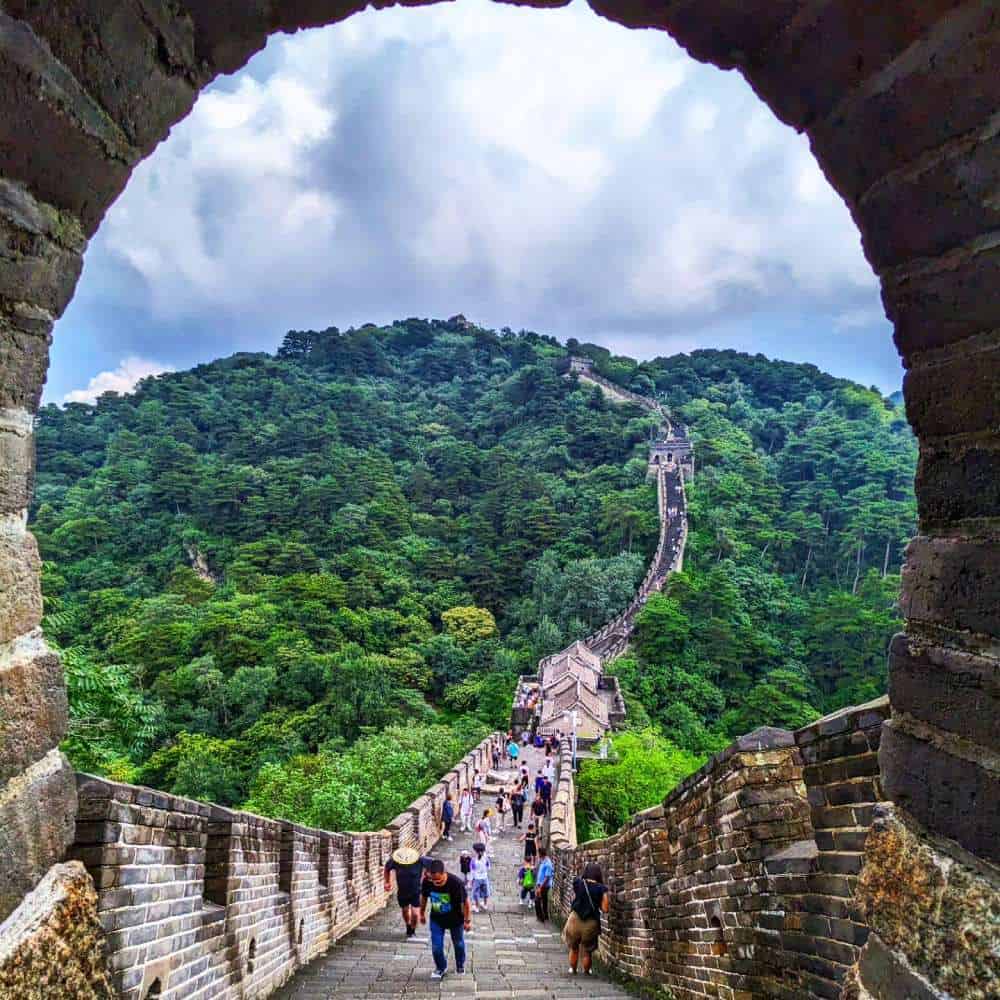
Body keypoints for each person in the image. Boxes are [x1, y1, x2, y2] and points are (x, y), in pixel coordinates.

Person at [420, 859, 471, 980]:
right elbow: (424, 897)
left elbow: (466, 903)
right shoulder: (428, 881)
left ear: (444, 873)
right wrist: (421, 913)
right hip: (437, 919)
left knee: (458, 944)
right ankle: (440, 967)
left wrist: (467, 921)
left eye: (439, 880)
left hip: (456, 919)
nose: (436, 883)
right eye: (434, 880)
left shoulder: (456, 883)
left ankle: (460, 965)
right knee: (436, 946)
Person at [564, 862, 610, 975]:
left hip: (574, 919)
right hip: (591, 923)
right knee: (586, 951)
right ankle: (586, 971)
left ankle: (573, 969)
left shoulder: (578, 883)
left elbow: (576, 889)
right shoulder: (601, 888)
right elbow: (605, 908)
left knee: (574, 948)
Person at [383, 847, 432, 937]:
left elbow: (435, 864)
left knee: (415, 914)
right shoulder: (396, 861)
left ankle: (413, 930)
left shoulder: (420, 860)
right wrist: (387, 882)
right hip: (402, 892)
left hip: (416, 891)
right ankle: (408, 926)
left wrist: (428, 873)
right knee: (405, 911)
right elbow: (387, 868)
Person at [469, 844, 491, 912]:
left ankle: (477, 907)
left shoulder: (473, 860)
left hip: (476, 879)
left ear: (476, 851)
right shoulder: (486, 858)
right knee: (485, 891)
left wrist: (470, 881)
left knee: (475, 893)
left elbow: (472, 871)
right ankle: (485, 904)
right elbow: (488, 867)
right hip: (484, 877)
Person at [534, 847, 554, 923]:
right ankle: (545, 916)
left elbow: (547, 877)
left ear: (540, 854)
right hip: (541, 884)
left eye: (538, 853)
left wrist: (540, 887)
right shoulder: (543, 861)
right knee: (544, 901)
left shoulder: (548, 863)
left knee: (537, 901)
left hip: (544, 886)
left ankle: (540, 917)